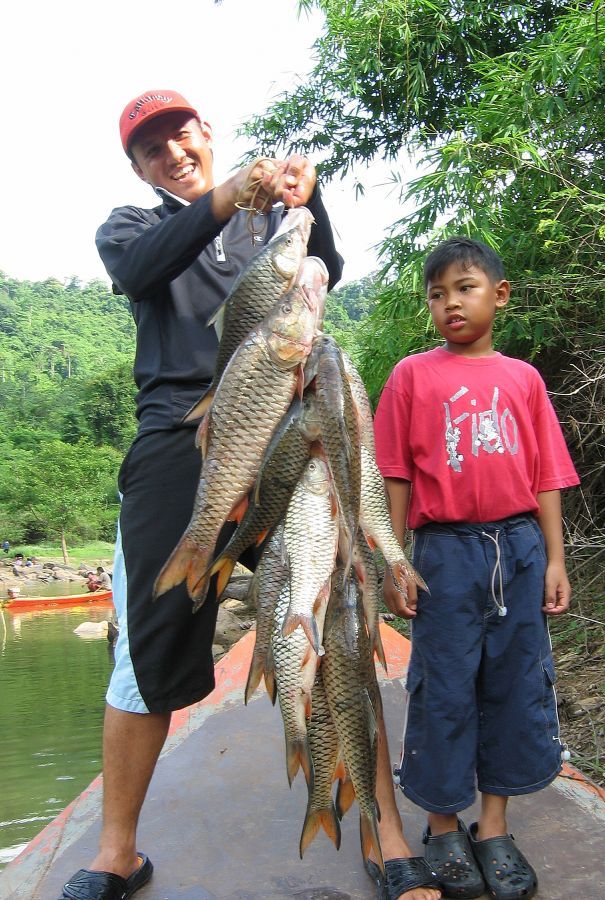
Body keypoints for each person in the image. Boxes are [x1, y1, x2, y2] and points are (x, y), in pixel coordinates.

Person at [58, 89, 343, 900]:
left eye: (181, 134)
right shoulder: (134, 227)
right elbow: (141, 270)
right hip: (180, 448)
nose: (172, 152)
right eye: (153, 148)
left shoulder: (268, 227)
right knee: (144, 656)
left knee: (339, 619)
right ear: (139, 167)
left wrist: (303, 197)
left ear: (206, 132)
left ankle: (386, 831)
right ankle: (115, 853)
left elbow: (330, 269)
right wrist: (226, 199)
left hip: (288, 434)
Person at [369, 237, 580, 900]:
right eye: (437, 294)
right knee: (443, 689)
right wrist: (395, 559)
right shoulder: (411, 376)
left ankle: (492, 828)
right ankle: (441, 827)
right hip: (444, 554)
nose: (450, 303)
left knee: (515, 685)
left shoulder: (523, 380)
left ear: (500, 294)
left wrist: (554, 560)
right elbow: (396, 475)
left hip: (517, 549)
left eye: (464, 288)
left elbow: (546, 476)